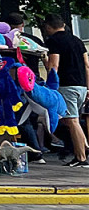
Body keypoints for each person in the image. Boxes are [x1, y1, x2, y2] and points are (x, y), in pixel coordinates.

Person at [41, 14, 88, 168]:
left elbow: (54, 66)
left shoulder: (54, 41)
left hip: (66, 85)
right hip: (81, 85)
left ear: (48, 27)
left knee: (72, 121)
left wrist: (44, 60)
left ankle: (81, 157)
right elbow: (87, 65)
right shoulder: (77, 40)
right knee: (72, 120)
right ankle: (83, 146)